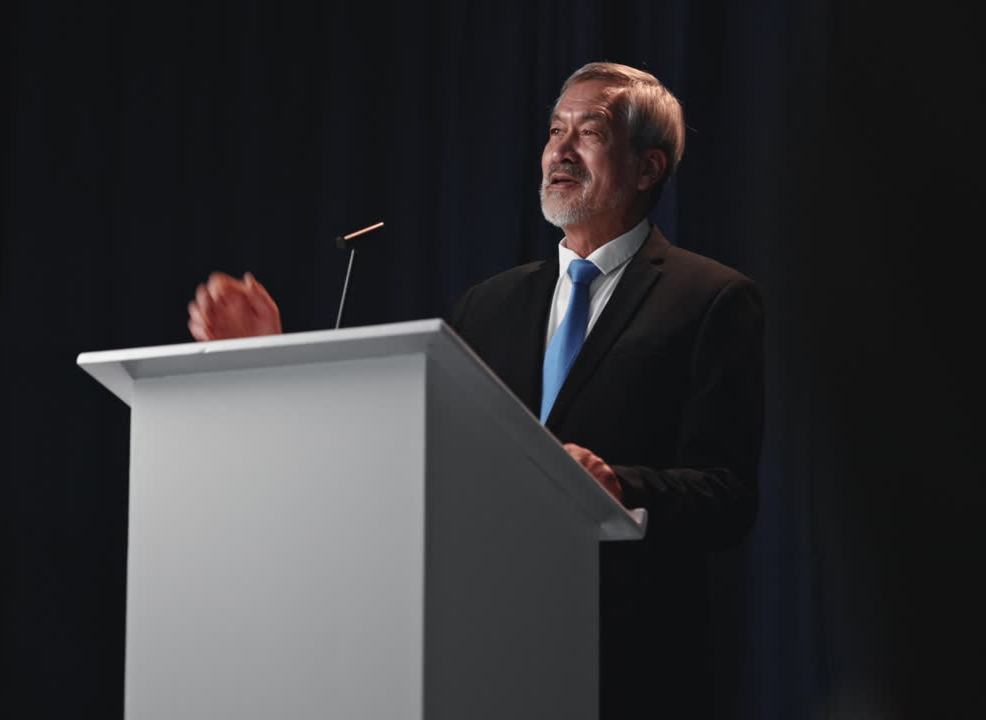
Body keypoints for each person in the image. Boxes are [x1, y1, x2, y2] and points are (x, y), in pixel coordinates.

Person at [186, 62, 763, 719]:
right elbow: (411, 455)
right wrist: (270, 358)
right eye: (555, 130)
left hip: (629, 658)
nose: (560, 150)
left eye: (590, 132)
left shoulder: (711, 298)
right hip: (482, 651)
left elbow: (728, 496)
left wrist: (620, 485)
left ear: (647, 167)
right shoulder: (488, 304)